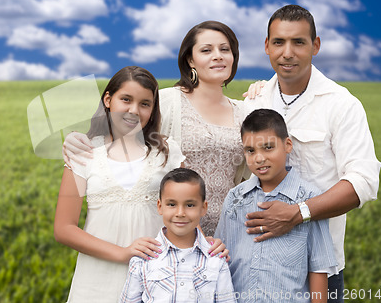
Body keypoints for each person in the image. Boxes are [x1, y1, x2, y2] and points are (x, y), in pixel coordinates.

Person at [243, 5, 381, 302]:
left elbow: (363, 182)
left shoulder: (341, 104)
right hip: (258, 264)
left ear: (315, 46)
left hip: (319, 268)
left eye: (299, 42)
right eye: (278, 42)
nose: (287, 52)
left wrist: (297, 213)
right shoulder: (254, 103)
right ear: (267, 46)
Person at [63, 21, 250, 237]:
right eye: (206, 50)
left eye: (224, 49)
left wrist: (262, 88)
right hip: (169, 232)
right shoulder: (166, 100)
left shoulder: (245, 111)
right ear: (190, 59)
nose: (218, 56)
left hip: (228, 232)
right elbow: (121, 137)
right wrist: (75, 140)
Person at [54, 66, 186, 302]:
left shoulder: (167, 153)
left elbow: (186, 212)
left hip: (154, 275)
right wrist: (123, 253)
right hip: (96, 280)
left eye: (145, 104)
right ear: (108, 99)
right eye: (126, 99)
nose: (134, 110)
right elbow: (64, 228)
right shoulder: (84, 153)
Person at [215, 109, 338, 303]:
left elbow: (318, 269)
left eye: (268, 147)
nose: (259, 158)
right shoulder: (235, 198)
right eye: (251, 151)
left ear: (287, 145)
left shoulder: (309, 199)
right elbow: (220, 259)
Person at [120, 168, 236, 303]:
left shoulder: (216, 259)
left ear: (203, 208)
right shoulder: (143, 260)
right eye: (172, 204)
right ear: (160, 206)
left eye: (190, 205)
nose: (180, 213)